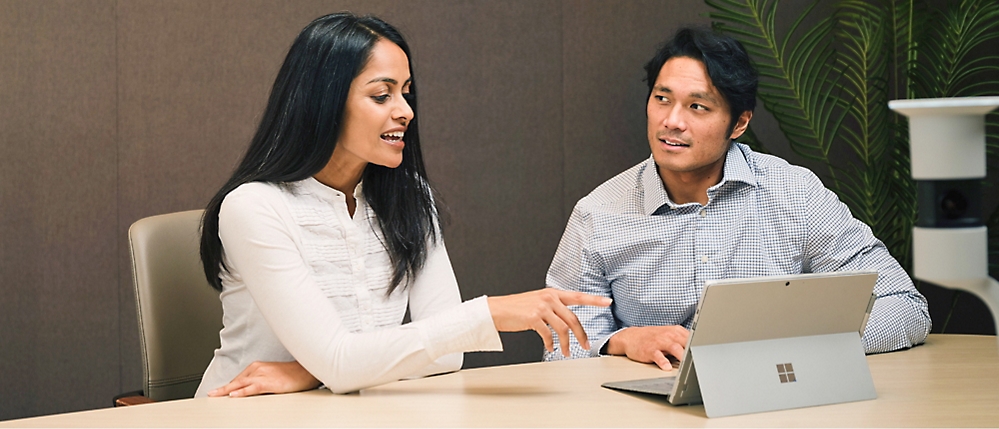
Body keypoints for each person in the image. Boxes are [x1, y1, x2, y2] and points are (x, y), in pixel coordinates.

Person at [194, 12, 610, 398]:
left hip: (354, 408)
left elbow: (448, 356)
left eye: (406, 93)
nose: (406, 111)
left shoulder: (410, 196)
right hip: (246, 410)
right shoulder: (253, 207)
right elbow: (351, 360)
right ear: (323, 101)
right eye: (381, 96)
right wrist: (486, 314)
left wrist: (312, 372)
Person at [543, 27, 930, 369]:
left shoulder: (795, 194)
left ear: (739, 123)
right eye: (662, 99)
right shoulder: (598, 214)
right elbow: (560, 352)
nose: (672, 121)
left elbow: (904, 306)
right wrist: (619, 343)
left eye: (697, 106)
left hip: (778, 400)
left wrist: (789, 344)